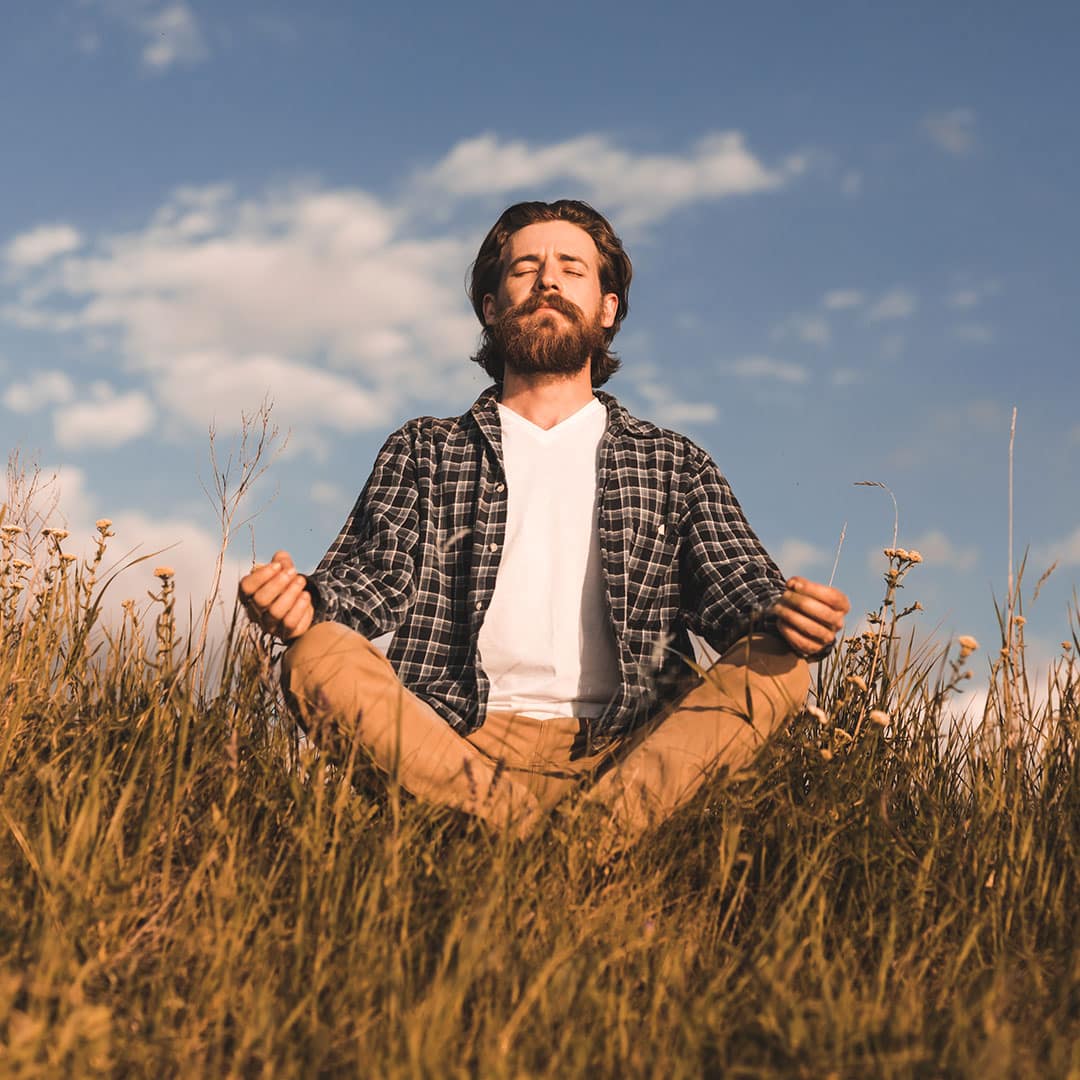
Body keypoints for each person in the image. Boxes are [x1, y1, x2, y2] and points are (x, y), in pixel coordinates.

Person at [238, 199, 849, 848]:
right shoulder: (426, 449)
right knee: (316, 656)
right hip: (451, 741)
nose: (548, 281)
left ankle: (551, 841)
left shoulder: (673, 462)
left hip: (628, 754)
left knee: (782, 665)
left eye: (571, 269)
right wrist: (300, 600)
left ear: (607, 308)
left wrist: (793, 614)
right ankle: (562, 848)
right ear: (491, 307)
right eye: (525, 268)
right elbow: (364, 585)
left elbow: (739, 592)